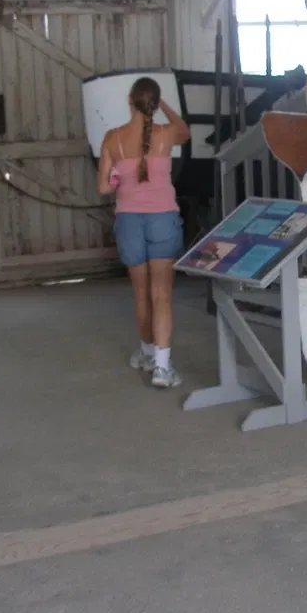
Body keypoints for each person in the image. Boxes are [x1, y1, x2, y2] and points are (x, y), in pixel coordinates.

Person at [97, 76, 190, 388]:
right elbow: (186, 132)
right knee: (161, 294)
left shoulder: (113, 138)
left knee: (140, 292)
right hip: (163, 218)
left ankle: (147, 353)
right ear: (154, 103)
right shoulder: (165, 134)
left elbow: (102, 187)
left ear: (129, 101)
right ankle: (163, 368)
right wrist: (162, 105)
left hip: (129, 221)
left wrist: (116, 181)